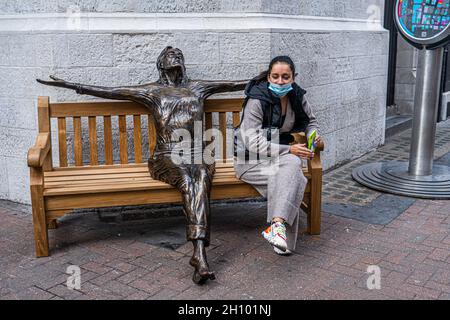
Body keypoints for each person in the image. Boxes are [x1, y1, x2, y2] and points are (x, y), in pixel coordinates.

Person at [37, 46, 248, 284]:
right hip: (165, 156)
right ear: (161, 64)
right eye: (170, 54)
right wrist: (70, 85)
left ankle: (199, 254)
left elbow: (232, 85)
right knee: (188, 178)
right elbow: (112, 91)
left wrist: (268, 76)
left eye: (179, 53)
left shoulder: (198, 87)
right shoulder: (151, 91)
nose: (176, 55)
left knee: (199, 174)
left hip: (197, 154)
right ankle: (199, 254)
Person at [234, 55, 323, 255]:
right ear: (268, 77)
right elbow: (252, 142)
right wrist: (289, 149)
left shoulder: (297, 97)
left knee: (289, 169)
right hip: (250, 160)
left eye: (285, 77)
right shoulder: (257, 99)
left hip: (279, 158)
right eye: (275, 77)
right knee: (293, 173)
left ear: (293, 77)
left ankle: (277, 227)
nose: (280, 81)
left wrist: (313, 137)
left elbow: (311, 123)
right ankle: (279, 234)